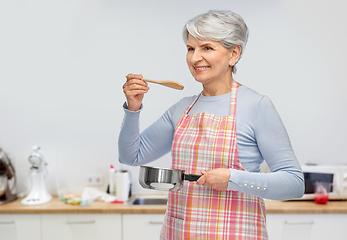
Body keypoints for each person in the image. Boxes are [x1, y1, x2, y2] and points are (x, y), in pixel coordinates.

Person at [119, 10, 304, 239]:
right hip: (180, 233)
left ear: (233, 54)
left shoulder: (256, 106)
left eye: (206, 48)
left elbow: (295, 183)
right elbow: (131, 156)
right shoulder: (181, 109)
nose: (195, 58)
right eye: (190, 48)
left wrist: (233, 179)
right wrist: (133, 109)